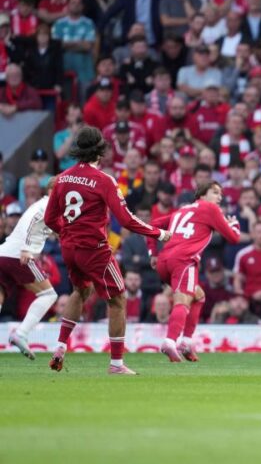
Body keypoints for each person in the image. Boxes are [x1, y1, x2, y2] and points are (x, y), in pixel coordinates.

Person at [43, 126, 171, 375]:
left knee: (81, 290)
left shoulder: (62, 178)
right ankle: (116, 364)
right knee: (118, 299)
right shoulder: (104, 180)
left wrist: (67, 234)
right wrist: (159, 233)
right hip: (94, 250)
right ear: (100, 152)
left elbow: (50, 219)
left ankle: (59, 347)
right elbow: (126, 220)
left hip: (70, 248)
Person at [150, 181, 242, 362]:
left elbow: (152, 225)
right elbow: (233, 238)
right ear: (202, 195)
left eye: (221, 194)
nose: (220, 197)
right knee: (183, 300)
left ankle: (186, 342)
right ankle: (170, 341)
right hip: (184, 260)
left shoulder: (182, 210)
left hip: (164, 261)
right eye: (215, 192)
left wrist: (152, 253)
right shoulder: (210, 209)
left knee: (199, 296)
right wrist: (235, 224)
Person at [0, 181, 57, 359]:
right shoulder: (47, 204)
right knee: (49, 294)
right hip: (19, 255)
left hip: (3, 253)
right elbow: (30, 223)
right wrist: (26, 248)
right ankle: (21, 333)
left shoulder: (45, 205)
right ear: (52, 190)